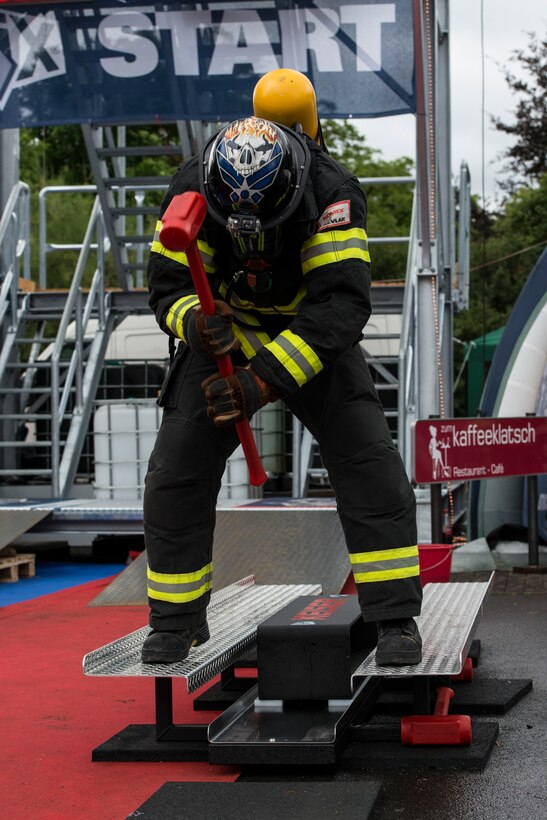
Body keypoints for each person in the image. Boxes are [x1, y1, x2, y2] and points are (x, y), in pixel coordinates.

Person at [141, 69, 423, 667]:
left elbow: (340, 305)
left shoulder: (331, 194)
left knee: (369, 464)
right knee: (175, 472)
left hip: (308, 338)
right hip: (226, 334)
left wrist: (261, 381)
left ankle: (395, 618)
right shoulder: (194, 186)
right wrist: (193, 322)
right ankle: (176, 620)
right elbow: (167, 286)